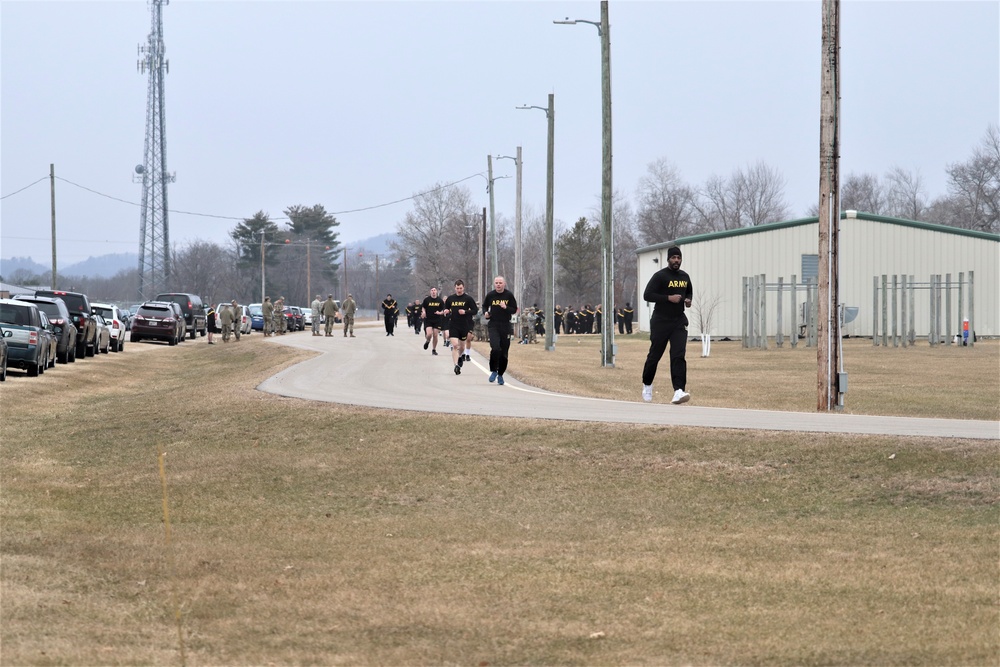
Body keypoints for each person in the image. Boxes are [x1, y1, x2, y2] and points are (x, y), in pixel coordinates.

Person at [641, 246, 693, 404]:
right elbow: (647, 295)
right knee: (655, 355)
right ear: (668, 259)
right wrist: (668, 298)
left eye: (679, 258)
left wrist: (688, 300)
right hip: (661, 321)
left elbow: (689, 291)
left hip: (678, 321)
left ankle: (678, 390)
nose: (676, 260)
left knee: (678, 356)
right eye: (674, 258)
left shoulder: (685, 276)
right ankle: (647, 384)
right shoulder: (660, 276)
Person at [482, 275, 518, 385]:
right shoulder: (491, 295)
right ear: (494, 284)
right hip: (493, 324)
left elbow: (514, 309)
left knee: (504, 352)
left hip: (505, 325)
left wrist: (505, 307)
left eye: (500, 283)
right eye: (496, 283)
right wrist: (486, 313)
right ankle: (493, 370)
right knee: (495, 348)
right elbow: (484, 306)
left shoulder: (508, 295)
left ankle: (501, 374)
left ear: (504, 284)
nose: (498, 284)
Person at [444, 279, 477, 375]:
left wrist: (465, 312)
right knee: (455, 345)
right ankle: (456, 365)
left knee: (462, 347)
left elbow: (475, 310)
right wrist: (446, 311)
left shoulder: (468, 299)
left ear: (463, 288)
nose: (459, 290)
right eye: (457, 288)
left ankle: (460, 356)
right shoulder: (450, 299)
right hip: (453, 324)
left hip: (464, 325)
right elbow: (446, 309)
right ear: (455, 288)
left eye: (461, 288)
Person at [420, 287, 445, 355]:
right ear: (430, 292)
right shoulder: (427, 300)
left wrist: (440, 313)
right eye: (432, 290)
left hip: (437, 320)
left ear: (436, 292)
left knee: (435, 335)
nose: (433, 292)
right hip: (428, 319)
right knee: (429, 334)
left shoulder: (440, 300)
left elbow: (444, 310)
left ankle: (434, 349)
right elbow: (423, 307)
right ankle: (427, 341)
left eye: (434, 290)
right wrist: (424, 312)